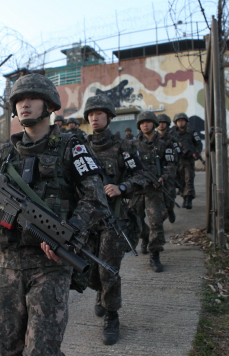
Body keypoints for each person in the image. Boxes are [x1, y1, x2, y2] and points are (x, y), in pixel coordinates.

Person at [0, 73, 108, 356]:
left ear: (49, 105)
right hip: (9, 266)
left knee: (42, 351)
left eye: (32, 98)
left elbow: (95, 199)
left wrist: (70, 231)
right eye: (19, 99)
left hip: (51, 265)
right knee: (6, 349)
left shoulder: (73, 148)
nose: (24, 104)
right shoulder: (4, 155)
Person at [83, 94, 148, 345]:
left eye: (99, 113)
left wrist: (122, 186)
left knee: (109, 269)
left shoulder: (124, 148)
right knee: (89, 272)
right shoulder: (80, 147)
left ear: (109, 116)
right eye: (91, 114)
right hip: (87, 220)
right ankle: (99, 292)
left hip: (113, 219)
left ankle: (112, 315)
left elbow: (142, 176)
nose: (94, 117)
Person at [128, 111, 175, 272]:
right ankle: (145, 236)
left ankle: (155, 254)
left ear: (154, 124)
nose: (145, 125)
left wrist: (163, 177)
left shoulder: (163, 144)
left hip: (154, 190)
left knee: (156, 222)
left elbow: (170, 165)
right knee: (135, 222)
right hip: (136, 189)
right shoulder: (132, 145)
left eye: (148, 122)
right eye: (142, 123)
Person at [172, 112, 202, 209]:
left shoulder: (192, 132)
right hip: (177, 161)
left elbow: (198, 144)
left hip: (188, 160)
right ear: (176, 123)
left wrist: (197, 152)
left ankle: (188, 199)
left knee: (189, 179)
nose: (180, 123)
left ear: (186, 122)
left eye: (182, 121)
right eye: (179, 121)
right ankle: (184, 197)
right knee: (180, 181)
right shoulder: (172, 134)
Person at [157, 113, 183, 224]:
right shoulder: (152, 138)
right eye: (159, 122)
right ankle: (159, 221)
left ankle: (170, 209)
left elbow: (177, 155)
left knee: (170, 195)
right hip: (155, 172)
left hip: (169, 170)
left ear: (167, 125)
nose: (161, 125)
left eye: (164, 123)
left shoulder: (172, 139)